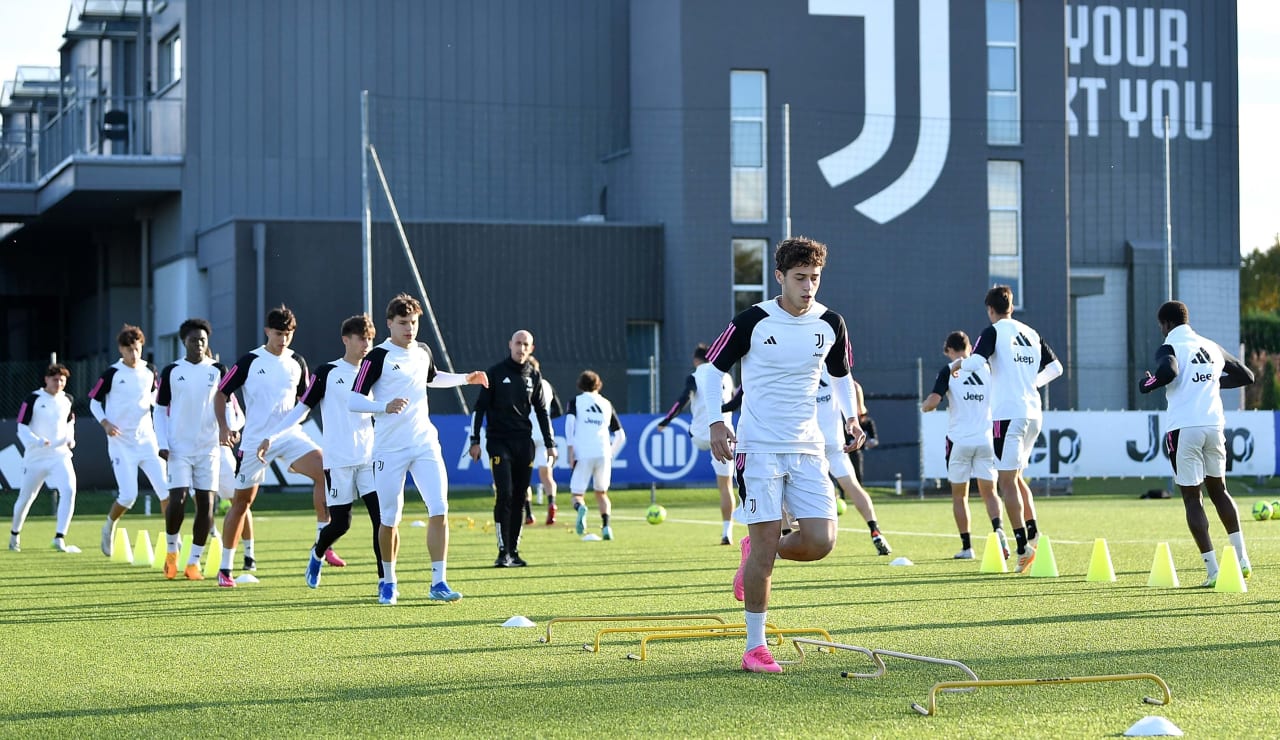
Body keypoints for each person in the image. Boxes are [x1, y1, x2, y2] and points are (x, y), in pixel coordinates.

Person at [698, 236, 864, 674]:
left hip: (809, 446)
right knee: (768, 547)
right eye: (800, 278)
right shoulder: (753, 320)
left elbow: (843, 374)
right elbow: (710, 369)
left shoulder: (831, 323)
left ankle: (755, 550)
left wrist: (852, 417)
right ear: (779, 277)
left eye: (815, 278)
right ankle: (755, 646)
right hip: (759, 448)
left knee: (820, 543)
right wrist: (717, 421)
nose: (809, 287)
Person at [351, 293, 487, 604]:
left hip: (424, 442)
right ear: (389, 324)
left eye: (413, 323)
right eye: (403, 323)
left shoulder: (423, 351)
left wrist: (466, 378)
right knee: (390, 518)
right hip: (389, 449)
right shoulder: (377, 357)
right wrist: (384, 406)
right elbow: (354, 399)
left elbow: (432, 377)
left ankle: (438, 582)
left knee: (439, 508)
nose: (409, 329)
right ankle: (388, 580)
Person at [258, 314, 384, 590]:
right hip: (338, 460)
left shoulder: (375, 371)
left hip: (368, 459)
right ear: (345, 340)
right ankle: (317, 553)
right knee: (341, 524)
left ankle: (385, 581)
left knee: (381, 519)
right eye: (361, 338)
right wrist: (272, 436)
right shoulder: (327, 372)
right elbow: (301, 410)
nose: (366, 344)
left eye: (370, 339)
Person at [214, 305, 335, 588]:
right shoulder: (250, 361)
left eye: (289, 334)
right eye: (279, 333)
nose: (283, 340)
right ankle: (225, 568)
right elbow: (222, 392)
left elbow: (306, 400)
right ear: (267, 331)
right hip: (256, 441)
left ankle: (322, 543)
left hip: (290, 435)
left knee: (324, 470)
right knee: (242, 502)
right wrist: (224, 425)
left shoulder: (297, 362)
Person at [1139, 300, 1255, 587]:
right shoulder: (1210, 346)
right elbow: (1246, 375)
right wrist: (1213, 382)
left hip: (1183, 429)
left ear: (1165, 324)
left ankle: (1214, 570)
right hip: (1214, 426)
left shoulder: (1169, 346)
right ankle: (1241, 560)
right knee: (1220, 491)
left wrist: (1148, 384)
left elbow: (1168, 372)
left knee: (1193, 499)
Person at [954, 285, 1062, 573]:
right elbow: (1056, 368)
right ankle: (1034, 530)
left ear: (990, 309)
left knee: (1007, 482)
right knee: (1017, 477)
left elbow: (975, 362)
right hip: (1033, 413)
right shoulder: (1030, 333)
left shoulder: (993, 331)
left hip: (1008, 416)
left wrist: (956, 365)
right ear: (1011, 306)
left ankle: (1022, 546)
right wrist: (1030, 384)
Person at [469, 330, 556, 567]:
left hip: (523, 443)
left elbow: (541, 411)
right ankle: (502, 551)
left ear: (531, 348)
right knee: (504, 493)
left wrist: (550, 444)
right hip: (499, 441)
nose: (521, 348)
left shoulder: (534, 375)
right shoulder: (495, 373)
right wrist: (474, 440)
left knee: (519, 497)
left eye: (525, 344)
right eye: (518, 343)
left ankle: (514, 551)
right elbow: (479, 408)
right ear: (510, 344)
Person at [922, 331, 1007, 560]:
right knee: (990, 493)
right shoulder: (987, 368)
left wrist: (924, 406)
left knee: (960, 496)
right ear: (969, 347)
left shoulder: (949, 371)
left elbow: (932, 403)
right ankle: (999, 531)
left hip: (959, 441)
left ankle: (967, 547)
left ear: (949, 350)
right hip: (986, 439)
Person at [89, 324, 169, 557]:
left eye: (137, 348)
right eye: (129, 349)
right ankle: (109, 526)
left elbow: (156, 399)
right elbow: (94, 401)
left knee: (166, 491)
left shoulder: (150, 371)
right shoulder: (111, 374)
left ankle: (172, 541)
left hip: (147, 441)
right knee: (128, 496)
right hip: (120, 444)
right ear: (121, 350)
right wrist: (105, 423)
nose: (134, 354)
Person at [153, 319, 224, 578]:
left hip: (209, 449)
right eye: (194, 340)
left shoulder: (217, 369)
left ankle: (193, 562)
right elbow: (159, 410)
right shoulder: (172, 371)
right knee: (178, 499)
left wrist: (232, 428)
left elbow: (230, 405)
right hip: (178, 448)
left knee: (206, 505)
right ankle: (171, 554)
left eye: (203, 340)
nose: (199, 344)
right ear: (184, 341)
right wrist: (162, 443)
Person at [658, 343, 738, 545]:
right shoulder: (726, 376)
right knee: (726, 486)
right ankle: (727, 531)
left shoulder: (694, 376)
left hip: (702, 435)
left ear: (695, 360)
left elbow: (682, 399)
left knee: (695, 431)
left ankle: (728, 531)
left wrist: (666, 421)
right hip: (725, 435)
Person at [817, 370, 890, 556]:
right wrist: (856, 412)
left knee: (786, 487)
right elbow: (852, 385)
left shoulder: (802, 362)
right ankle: (875, 530)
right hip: (835, 442)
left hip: (809, 442)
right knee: (854, 487)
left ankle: (784, 536)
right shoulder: (831, 364)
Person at [10, 364, 79, 553]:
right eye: (55, 379)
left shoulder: (67, 400)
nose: (58, 383)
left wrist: (70, 438)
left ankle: (59, 538)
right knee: (26, 498)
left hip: (60, 456)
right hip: (35, 458)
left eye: (62, 380)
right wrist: (37, 441)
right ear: (46, 379)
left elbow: (70, 422)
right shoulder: (33, 399)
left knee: (69, 490)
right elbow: (21, 428)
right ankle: (15, 534)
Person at [564, 370, 625, 540]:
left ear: (580, 385)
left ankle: (581, 508)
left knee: (577, 494)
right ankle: (606, 527)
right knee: (602, 493)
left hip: (583, 453)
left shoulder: (575, 402)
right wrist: (610, 453)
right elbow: (620, 435)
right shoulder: (606, 404)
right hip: (603, 453)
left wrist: (570, 449)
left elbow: (570, 424)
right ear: (598, 384)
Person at [526, 356, 562, 525]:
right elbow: (558, 410)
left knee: (523, 475)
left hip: (526, 433)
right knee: (546, 475)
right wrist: (545, 417)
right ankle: (552, 505)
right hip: (545, 434)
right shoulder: (547, 385)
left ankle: (529, 513)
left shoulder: (523, 383)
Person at [846, 382, 878, 484]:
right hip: (841, 451)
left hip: (855, 451)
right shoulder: (841, 419)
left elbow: (874, 440)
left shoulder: (867, 422)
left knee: (857, 472)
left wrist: (870, 442)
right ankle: (840, 493)